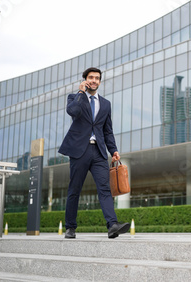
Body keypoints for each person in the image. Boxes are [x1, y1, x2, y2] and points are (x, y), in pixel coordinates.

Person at [58, 67, 130, 239]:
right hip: (79, 151)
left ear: (100, 81)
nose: (94, 81)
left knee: (105, 188)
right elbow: (73, 112)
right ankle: (70, 227)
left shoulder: (105, 104)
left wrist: (113, 150)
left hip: (98, 152)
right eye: (91, 78)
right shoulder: (74, 98)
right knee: (74, 189)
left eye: (97, 78)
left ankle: (112, 225)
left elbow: (107, 130)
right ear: (84, 79)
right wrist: (81, 92)